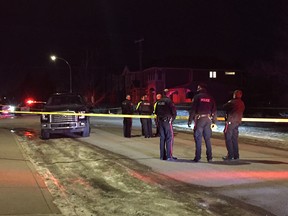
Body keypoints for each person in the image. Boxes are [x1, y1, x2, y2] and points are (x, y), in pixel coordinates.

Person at [188, 83, 217, 162]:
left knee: (198, 139)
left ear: (200, 88)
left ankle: (198, 157)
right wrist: (214, 121)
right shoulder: (211, 97)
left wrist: (190, 120)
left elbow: (193, 110)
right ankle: (209, 157)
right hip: (208, 120)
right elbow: (214, 110)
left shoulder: (197, 97)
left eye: (198, 88)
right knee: (207, 139)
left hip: (199, 120)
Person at [222, 90, 245, 161]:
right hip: (237, 122)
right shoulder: (242, 103)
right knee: (234, 139)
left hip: (231, 122)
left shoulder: (232, 102)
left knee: (228, 138)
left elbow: (224, 107)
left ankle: (230, 155)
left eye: (235, 94)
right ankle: (236, 155)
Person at [154, 89, 177, 161]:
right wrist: (171, 120)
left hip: (160, 121)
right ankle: (169, 156)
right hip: (167, 121)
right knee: (169, 138)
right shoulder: (169, 101)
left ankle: (162, 156)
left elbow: (156, 112)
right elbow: (174, 112)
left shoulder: (158, 102)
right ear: (168, 94)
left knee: (162, 138)